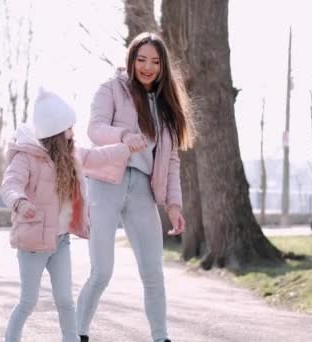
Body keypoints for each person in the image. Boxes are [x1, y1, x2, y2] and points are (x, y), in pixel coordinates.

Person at [76, 32, 196, 342]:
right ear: (131, 59)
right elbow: (95, 128)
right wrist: (123, 137)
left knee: (153, 273)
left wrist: (173, 204)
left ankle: (160, 337)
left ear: (162, 66)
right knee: (101, 272)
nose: (147, 67)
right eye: (141, 59)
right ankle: (77, 333)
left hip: (143, 189)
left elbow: (170, 161)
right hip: (105, 183)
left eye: (155, 62)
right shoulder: (111, 89)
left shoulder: (167, 106)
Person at [0, 88, 134, 342]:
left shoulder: (72, 156)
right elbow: (10, 184)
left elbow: (99, 157)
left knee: (65, 300)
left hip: (60, 242)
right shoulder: (26, 157)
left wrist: (127, 148)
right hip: (32, 243)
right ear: (54, 132)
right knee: (28, 301)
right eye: (68, 128)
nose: (73, 133)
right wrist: (19, 202)